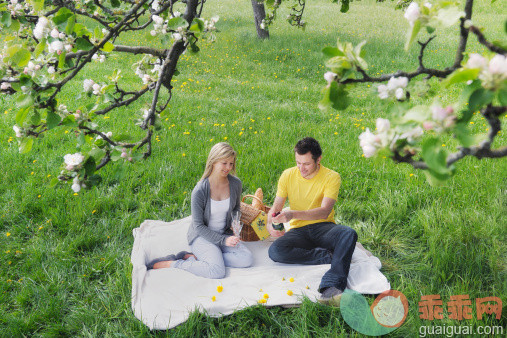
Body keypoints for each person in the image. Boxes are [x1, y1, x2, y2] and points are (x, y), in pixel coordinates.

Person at [267, 137, 357, 306]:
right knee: (276, 251)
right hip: (299, 231)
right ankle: (329, 256)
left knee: (348, 234)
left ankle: (331, 287)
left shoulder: (332, 177)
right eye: (298, 163)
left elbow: (324, 212)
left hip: (324, 228)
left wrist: (292, 214)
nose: (301, 168)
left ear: (318, 159)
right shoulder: (287, 175)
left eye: (306, 164)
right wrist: (270, 224)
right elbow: (276, 208)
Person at [148, 142, 253, 278]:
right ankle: (174, 263)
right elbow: (198, 226)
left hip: (224, 234)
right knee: (217, 271)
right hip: (202, 237)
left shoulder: (235, 184)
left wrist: (235, 221)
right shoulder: (200, 190)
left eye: (231, 164)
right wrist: (223, 241)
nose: (228, 167)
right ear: (214, 161)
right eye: (224, 163)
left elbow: (236, 208)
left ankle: (203, 258)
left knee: (247, 259)